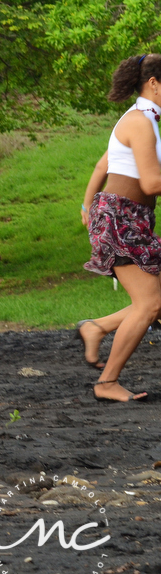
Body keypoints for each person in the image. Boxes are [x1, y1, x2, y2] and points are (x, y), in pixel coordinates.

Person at [78, 55, 161, 402]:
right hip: (120, 219)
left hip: (128, 217)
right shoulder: (140, 122)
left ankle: (97, 326)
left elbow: (104, 163)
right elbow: (153, 182)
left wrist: (86, 205)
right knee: (150, 304)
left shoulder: (147, 121)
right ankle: (107, 383)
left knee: (155, 299)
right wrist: (92, 207)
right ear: (154, 83)